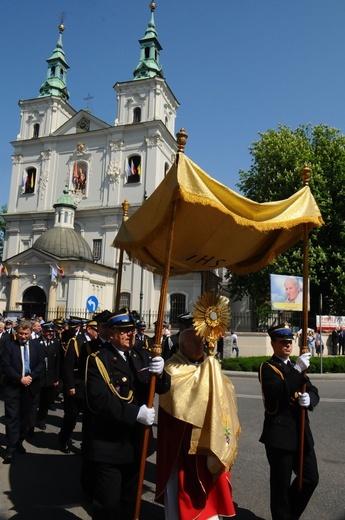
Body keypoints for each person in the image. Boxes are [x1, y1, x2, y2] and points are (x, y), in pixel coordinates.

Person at [84, 309, 171, 519]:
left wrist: (161, 374)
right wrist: (135, 414)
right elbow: (99, 402)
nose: (130, 334)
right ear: (112, 333)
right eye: (124, 331)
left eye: (132, 330)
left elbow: (162, 388)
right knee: (109, 506)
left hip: (136, 444)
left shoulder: (141, 355)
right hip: (110, 446)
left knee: (131, 503)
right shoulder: (98, 360)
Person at [155, 328, 241, 519]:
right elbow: (184, 397)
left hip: (208, 442)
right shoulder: (172, 367)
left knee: (210, 492)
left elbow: (223, 390)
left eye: (202, 342)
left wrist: (213, 371)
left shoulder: (205, 366)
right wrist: (209, 370)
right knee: (183, 495)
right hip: (183, 448)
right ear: (182, 346)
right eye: (196, 342)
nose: (201, 345)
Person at [259, 323, 319, 520]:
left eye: (289, 342)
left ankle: (289, 515)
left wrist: (310, 398)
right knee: (280, 487)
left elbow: (312, 389)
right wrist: (298, 369)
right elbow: (278, 393)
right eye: (283, 342)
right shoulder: (267, 368)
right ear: (273, 343)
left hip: (301, 432)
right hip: (280, 436)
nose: (287, 345)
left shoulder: (295, 366)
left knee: (310, 478)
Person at [1, 320, 45, 464]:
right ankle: (10, 448)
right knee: (12, 417)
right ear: (17, 333)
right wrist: (20, 379)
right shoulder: (9, 346)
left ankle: (19, 441)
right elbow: (6, 366)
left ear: (30, 333)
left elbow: (41, 364)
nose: (23, 336)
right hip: (13, 387)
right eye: (21, 333)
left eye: (26, 334)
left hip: (30, 387)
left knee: (25, 418)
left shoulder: (36, 346)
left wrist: (31, 377)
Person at [32, 321, 61, 432]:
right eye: (48, 332)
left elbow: (58, 362)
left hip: (50, 378)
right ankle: (31, 423)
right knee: (35, 402)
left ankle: (41, 420)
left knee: (45, 402)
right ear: (42, 332)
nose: (50, 334)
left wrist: (57, 378)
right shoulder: (35, 342)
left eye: (52, 332)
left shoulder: (56, 343)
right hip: (38, 378)